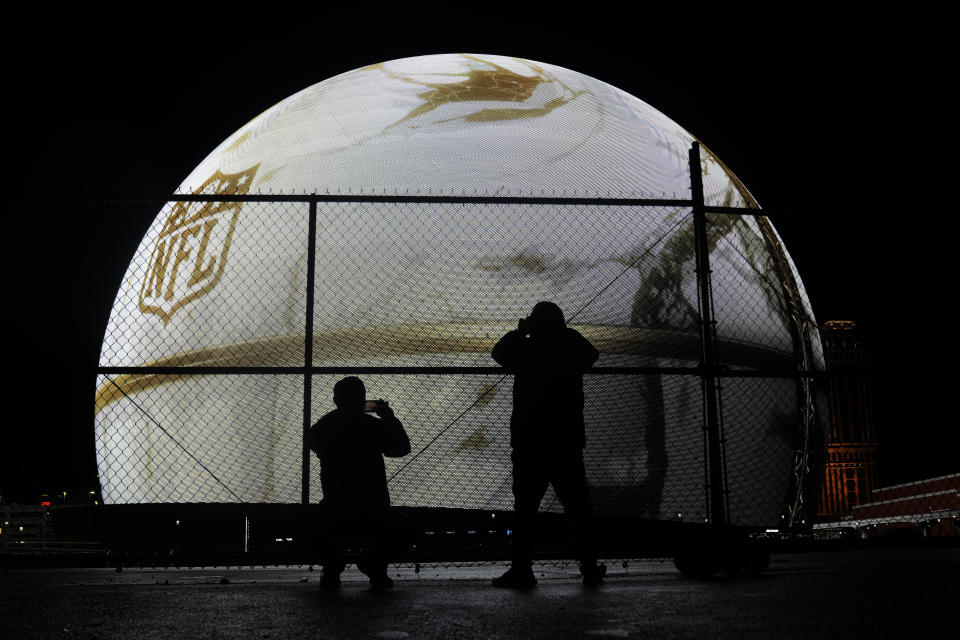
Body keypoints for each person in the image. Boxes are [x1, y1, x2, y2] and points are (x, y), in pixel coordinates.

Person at [491, 301, 605, 588]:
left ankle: (521, 569)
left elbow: (499, 353)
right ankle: (589, 565)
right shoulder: (570, 347)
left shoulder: (527, 349)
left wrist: (521, 331)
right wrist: (567, 334)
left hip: (530, 441)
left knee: (525, 510)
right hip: (565, 440)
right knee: (578, 507)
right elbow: (592, 354)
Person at [309, 376, 413, 590]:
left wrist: (340, 414)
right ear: (362, 399)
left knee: (307, 526)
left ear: (336, 400)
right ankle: (375, 565)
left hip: (335, 509)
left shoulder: (326, 425)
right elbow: (401, 448)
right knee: (406, 527)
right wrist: (387, 416)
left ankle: (331, 566)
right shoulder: (373, 426)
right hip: (374, 509)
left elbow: (313, 440)